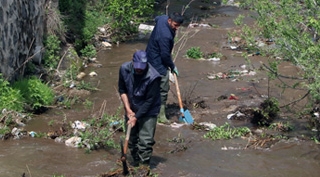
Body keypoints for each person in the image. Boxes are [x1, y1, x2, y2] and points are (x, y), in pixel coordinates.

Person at [118, 50, 161, 168]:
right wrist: (128, 110)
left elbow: (149, 101)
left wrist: (136, 117)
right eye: (137, 67)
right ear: (133, 62)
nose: (139, 70)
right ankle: (135, 163)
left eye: (142, 68)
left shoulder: (153, 77)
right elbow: (122, 90)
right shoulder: (124, 69)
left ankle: (143, 167)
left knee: (145, 141)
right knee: (132, 139)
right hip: (132, 106)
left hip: (149, 109)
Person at [146, 12, 184, 123]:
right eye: (175, 25)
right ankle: (161, 116)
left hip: (149, 54)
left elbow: (156, 18)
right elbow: (165, 55)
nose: (176, 28)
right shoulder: (165, 36)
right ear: (169, 21)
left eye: (178, 26)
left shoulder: (162, 18)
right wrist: (172, 66)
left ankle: (151, 109)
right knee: (163, 88)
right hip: (157, 60)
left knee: (151, 85)